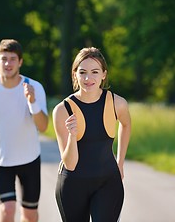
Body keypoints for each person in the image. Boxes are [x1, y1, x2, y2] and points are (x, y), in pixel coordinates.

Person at [0, 39, 48, 222]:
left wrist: (32, 101)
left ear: (20, 62)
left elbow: (43, 126)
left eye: (13, 59)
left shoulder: (34, 87)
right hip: (1, 159)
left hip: (29, 158)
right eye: (4, 58)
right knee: (6, 210)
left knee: (29, 215)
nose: (8, 63)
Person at [52, 47, 131, 222]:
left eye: (95, 72)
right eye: (83, 72)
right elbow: (70, 164)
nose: (88, 78)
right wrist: (73, 136)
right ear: (75, 75)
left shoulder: (117, 103)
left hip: (108, 182)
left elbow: (126, 125)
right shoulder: (62, 110)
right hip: (72, 185)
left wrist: (120, 162)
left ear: (104, 74)